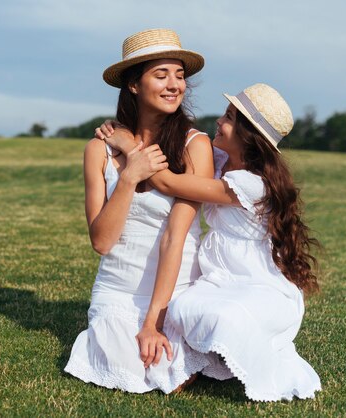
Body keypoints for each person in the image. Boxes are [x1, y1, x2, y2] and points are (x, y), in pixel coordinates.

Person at [95, 83, 322, 401]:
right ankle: (203, 359)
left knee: (219, 316)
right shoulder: (219, 160)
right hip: (220, 275)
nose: (218, 121)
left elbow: (165, 180)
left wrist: (128, 144)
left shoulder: (251, 185)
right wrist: (128, 127)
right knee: (185, 308)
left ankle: (232, 356)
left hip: (257, 282)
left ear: (247, 135)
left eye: (229, 117)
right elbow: (177, 148)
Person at [64, 28, 214, 393]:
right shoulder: (98, 150)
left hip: (175, 288)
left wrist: (153, 321)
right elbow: (101, 241)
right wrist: (129, 176)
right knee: (127, 369)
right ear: (133, 84)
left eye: (179, 76)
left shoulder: (196, 145)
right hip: (117, 289)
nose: (174, 85)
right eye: (161, 75)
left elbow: (175, 238)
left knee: (167, 376)